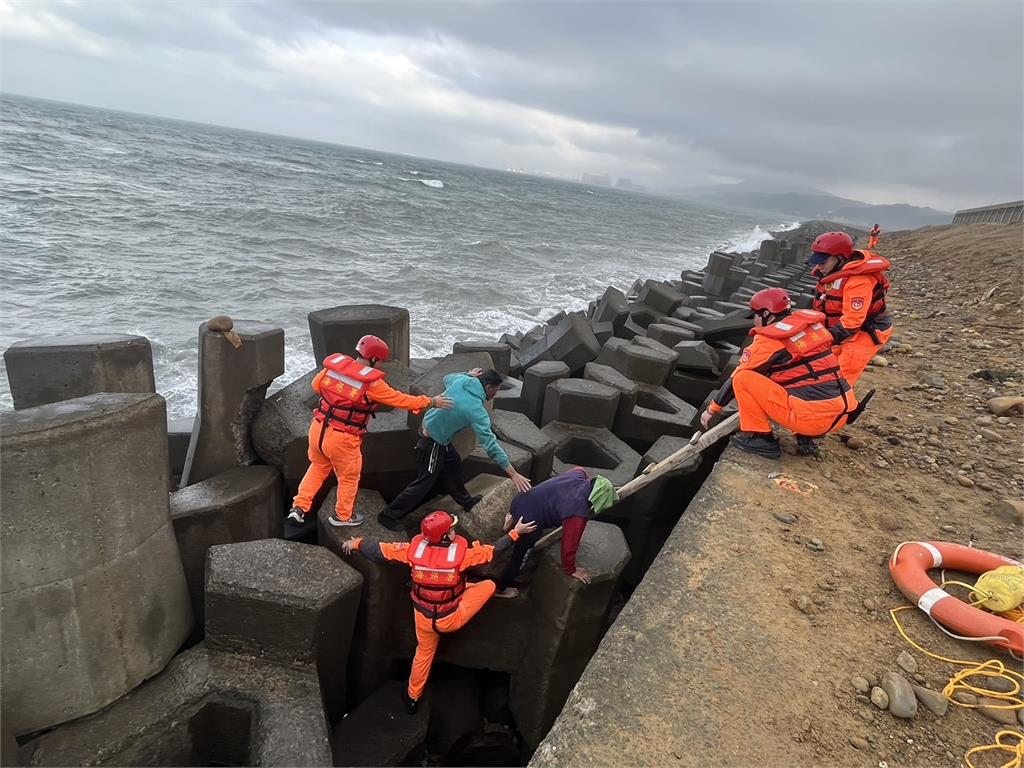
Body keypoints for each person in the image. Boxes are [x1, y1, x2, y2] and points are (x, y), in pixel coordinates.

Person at [342, 510, 538, 713]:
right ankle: (475, 590)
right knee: (488, 585)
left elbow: (381, 551)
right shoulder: (461, 556)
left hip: (424, 617)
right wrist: (515, 532)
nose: (454, 531)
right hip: (452, 617)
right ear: (444, 536)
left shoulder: (413, 552)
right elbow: (493, 551)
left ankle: (412, 698)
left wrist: (356, 543)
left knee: (423, 655)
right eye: (451, 529)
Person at [286, 335, 452, 528]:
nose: (380, 364)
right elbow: (399, 400)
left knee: (317, 467)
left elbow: (316, 385)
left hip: (318, 428)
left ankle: (299, 508)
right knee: (348, 477)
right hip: (343, 437)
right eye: (380, 361)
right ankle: (343, 517)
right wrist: (430, 402)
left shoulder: (333, 368)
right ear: (373, 358)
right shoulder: (371, 383)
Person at [700, 288, 858, 458]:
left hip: (812, 421)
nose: (754, 321)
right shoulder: (812, 329)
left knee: (743, 378)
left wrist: (712, 410)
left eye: (755, 315)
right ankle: (805, 439)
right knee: (798, 376)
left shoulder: (770, 341)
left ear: (767, 313)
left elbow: (735, 379)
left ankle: (761, 438)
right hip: (841, 415)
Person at [377, 368, 532, 530]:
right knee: (424, 483)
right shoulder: (476, 410)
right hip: (432, 443)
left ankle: (466, 501)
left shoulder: (463, 381)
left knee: (453, 463)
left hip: (436, 434)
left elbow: (447, 376)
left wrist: (468, 374)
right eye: (496, 390)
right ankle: (388, 515)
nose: (496, 393)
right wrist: (513, 474)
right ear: (488, 387)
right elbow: (490, 445)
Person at [494, 468, 618, 597]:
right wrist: (571, 569)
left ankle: (510, 523)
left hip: (519, 500)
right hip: (529, 522)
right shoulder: (577, 511)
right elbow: (570, 544)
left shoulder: (578, 475)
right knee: (519, 558)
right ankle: (501, 589)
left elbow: (580, 469)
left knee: (537, 506)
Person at [807, 230, 894, 386]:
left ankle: (840, 406)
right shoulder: (830, 274)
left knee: (843, 375)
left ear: (839, 258)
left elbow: (852, 322)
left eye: (823, 262)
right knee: (823, 366)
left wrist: (825, 338)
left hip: (868, 330)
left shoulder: (859, 281)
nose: (818, 266)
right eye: (817, 262)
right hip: (842, 327)